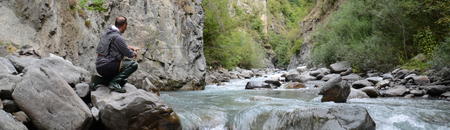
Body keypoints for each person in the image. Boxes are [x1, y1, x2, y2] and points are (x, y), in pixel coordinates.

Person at [91, 16, 139, 93]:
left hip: (99, 66)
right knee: (133, 64)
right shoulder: (118, 37)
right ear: (124, 25)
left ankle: (98, 80)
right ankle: (114, 83)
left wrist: (130, 47)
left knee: (123, 81)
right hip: (107, 66)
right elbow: (129, 54)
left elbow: (114, 47)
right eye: (126, 25)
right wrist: (134, 53)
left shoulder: (107, 33)